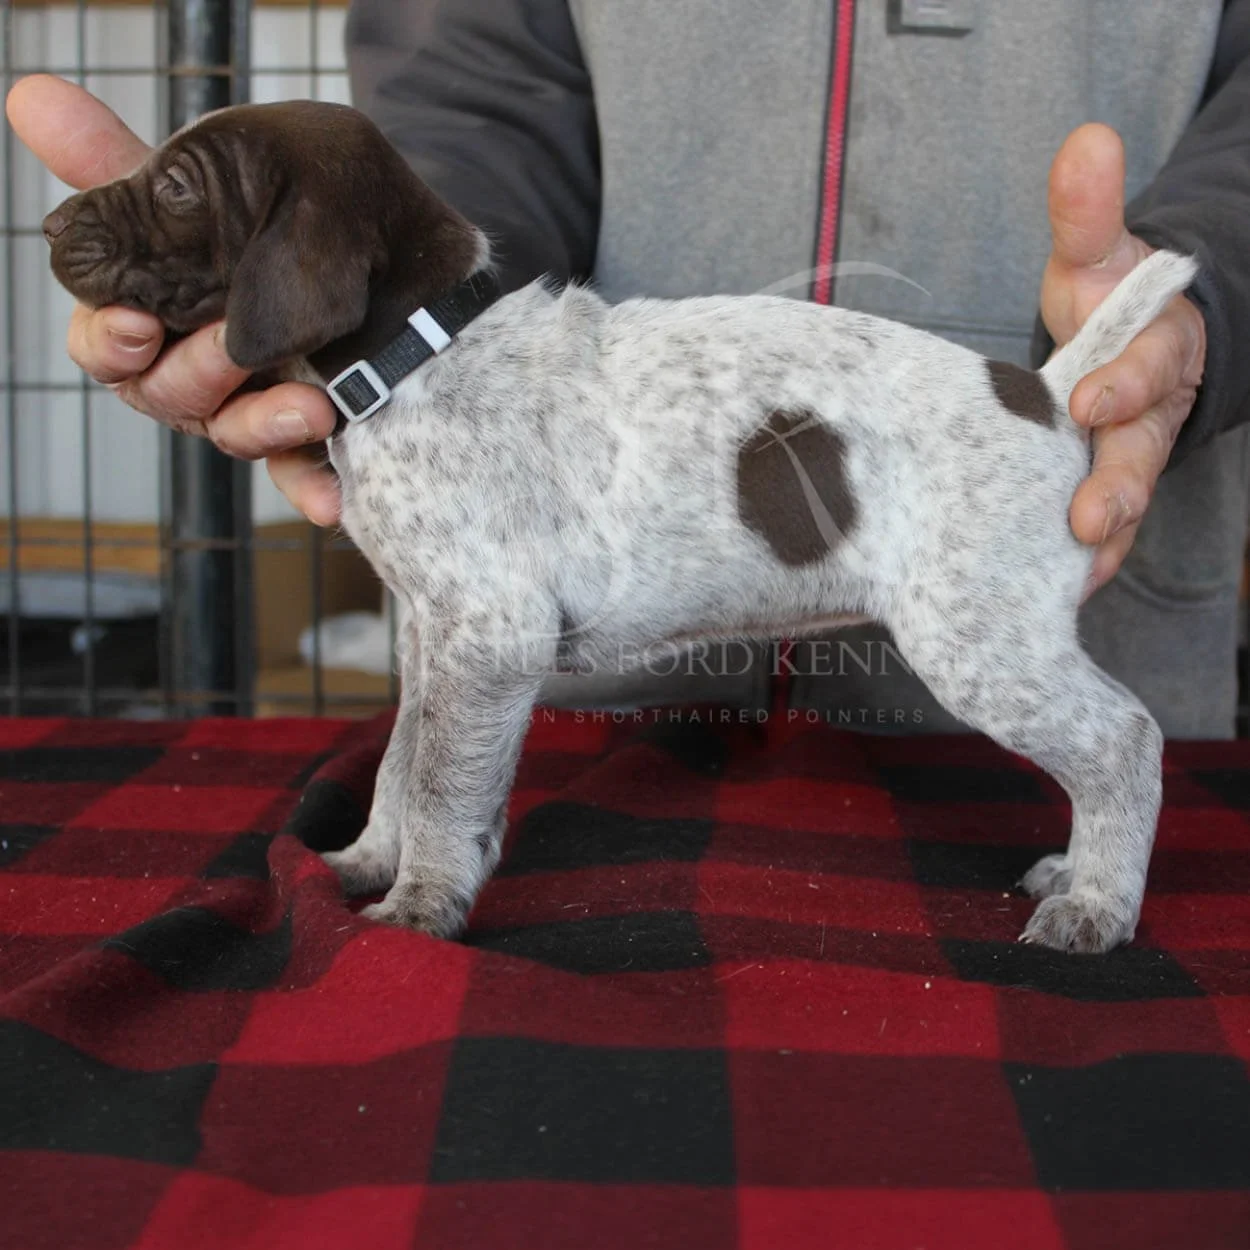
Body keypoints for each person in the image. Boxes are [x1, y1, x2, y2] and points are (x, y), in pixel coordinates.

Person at [8, 1, 1250, 735]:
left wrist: (1203, 288)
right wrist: (378, 293)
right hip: (594, 717)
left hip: (1063, 574)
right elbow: (473, 75)